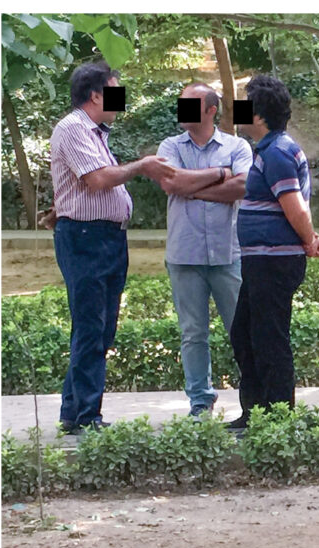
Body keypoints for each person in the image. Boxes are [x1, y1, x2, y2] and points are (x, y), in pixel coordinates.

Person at [48, 61, 175, 434]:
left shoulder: (95, 133)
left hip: (105, 237)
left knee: (100, 330)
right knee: (91, 326)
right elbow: (98, 180)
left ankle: (74, 412)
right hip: (87, 238)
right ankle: (86, 417)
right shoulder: (73, 128)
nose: (121, 100)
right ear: (95, 95)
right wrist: (142, 167)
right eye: (116, 91)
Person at [226, 74, 319, 430]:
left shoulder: (280, 152)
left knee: (269, 337)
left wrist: (309, 239)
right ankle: (255, 412)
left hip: (274, 260)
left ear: (258, 113)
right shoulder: (268, 150)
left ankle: (278, 417)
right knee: (244, 332)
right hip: (261, 260)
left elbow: (295, 207)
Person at [157, 82, 252, 418]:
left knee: (241, 330)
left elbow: (243, 186)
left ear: (211, 110)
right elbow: (171, 183)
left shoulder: (237, 145)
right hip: (185, 255)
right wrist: (219, 174)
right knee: (192, 333)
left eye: (190, 104)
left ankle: (252, 399)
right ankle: (200, 401)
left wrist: (194, 188)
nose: (181, 110)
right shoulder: (169, 145)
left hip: (228, 253)